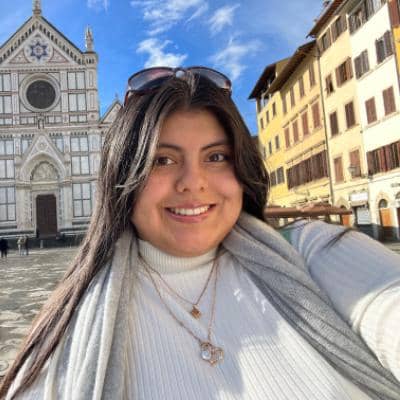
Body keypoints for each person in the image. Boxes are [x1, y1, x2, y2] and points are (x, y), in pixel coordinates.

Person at [1, 66, 399, 400]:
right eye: (162, 159)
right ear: (123, 174)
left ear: (242, 169)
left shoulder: (312, 252)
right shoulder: (65, 338)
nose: (193, 182)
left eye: (216, 156)